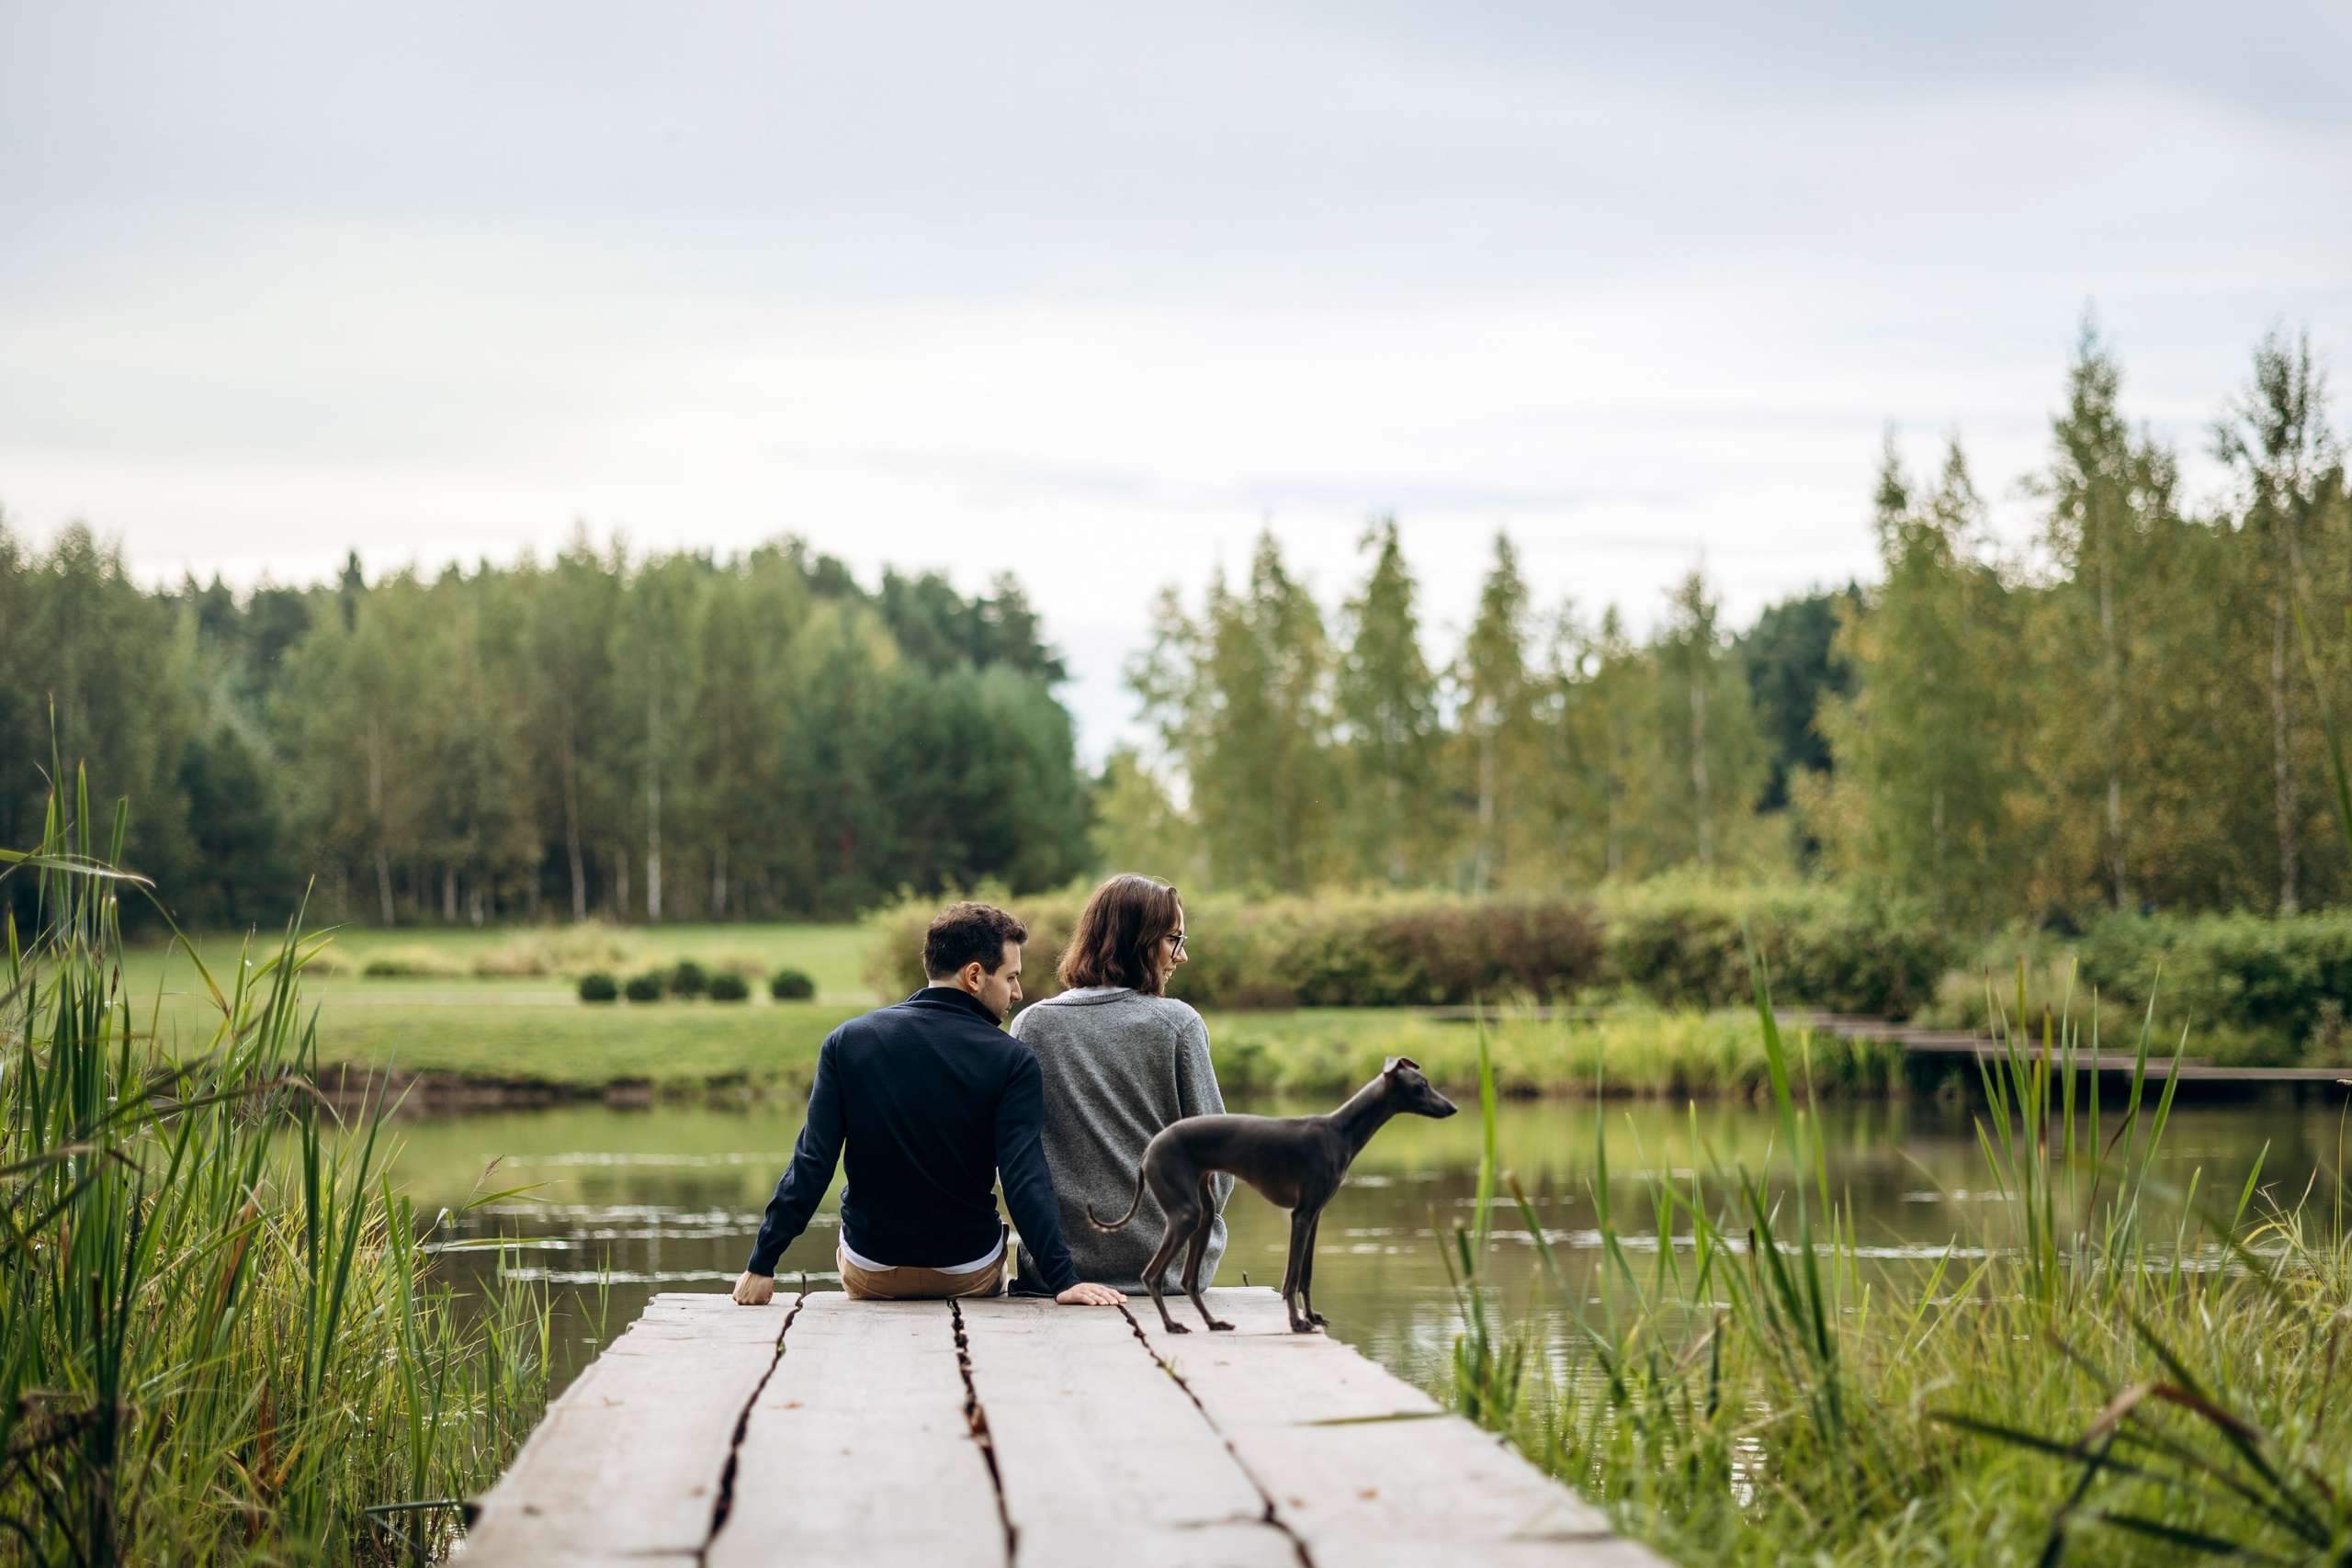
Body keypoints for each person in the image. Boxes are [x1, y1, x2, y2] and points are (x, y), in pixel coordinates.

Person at [731, 901, 1125, 1308]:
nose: (1017, 993)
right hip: (968, 1272)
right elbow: (1024, 1175)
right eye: (1011, 978)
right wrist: (1063, 1280)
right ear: (975, 975)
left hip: (871, 1272)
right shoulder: (1011, 1059)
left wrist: (762, 1263)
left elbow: (812, 1162)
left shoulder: (847, 1043)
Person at [1008, 874, 1233, 1295]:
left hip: (1060, 1270)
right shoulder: (1177, 1025)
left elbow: (1015, 1159)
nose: (1181, 957)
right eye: (1174, 940)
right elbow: (1219, 1160)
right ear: (1140, 941)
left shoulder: (1031, 1025)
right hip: (1170, 1269)